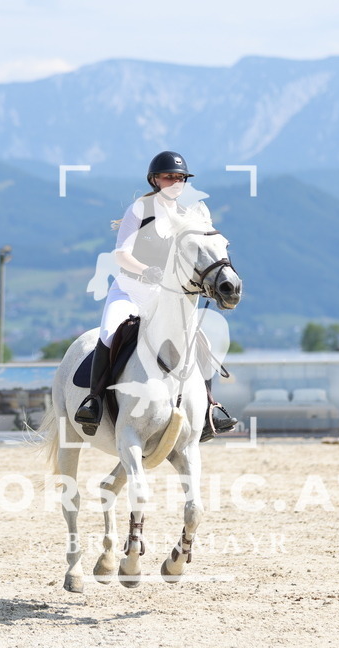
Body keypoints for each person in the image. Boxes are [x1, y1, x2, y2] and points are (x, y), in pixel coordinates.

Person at [74, 150, 237, 441]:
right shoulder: (140, 210)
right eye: (168, 177)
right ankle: (94, 400)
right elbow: (121, 255)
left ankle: (209, 408)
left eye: (180, 178)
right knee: (110, 332)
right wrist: (146, 270)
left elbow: (207, 249)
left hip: (168, 296)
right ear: (154, 180)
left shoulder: (194, 213)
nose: (175, 182)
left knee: (201, 341)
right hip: (131, 290)